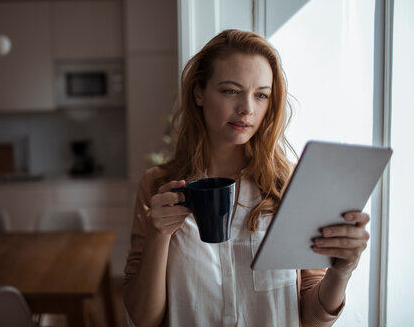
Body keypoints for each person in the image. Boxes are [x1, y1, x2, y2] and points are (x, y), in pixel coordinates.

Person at [123, 29, 370, 327]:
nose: (247, 109)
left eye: (261, 95)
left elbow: (312, 319)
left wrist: (343, 270)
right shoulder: (159, 186)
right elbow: (143, 319)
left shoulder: (291, 182)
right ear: (199, 92)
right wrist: (158, 236)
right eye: (230, 91)